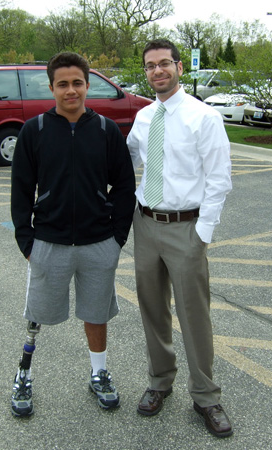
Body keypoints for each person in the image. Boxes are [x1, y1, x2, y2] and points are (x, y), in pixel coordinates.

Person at [10, 52, 136, 417]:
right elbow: (21, 190)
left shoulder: (105, 130)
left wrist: (117, 238)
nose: (70, 90)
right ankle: (23, 375)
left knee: (96, 313)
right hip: (49, 243)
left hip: (99, 243)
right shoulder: (34, 131)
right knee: (38, 312)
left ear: (87, 85)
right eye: (62, 84)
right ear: (51, 87)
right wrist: (27, 242)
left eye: (77, 83)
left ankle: (99, 373)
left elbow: (125, 186)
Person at [127, 39, 233, 438]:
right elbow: (131, 158)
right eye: (151, 65)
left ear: (179, 67)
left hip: (186, 228)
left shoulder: (203, 117)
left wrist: (202, 233)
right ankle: (160, 382)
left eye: (164, 64)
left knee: (193, 315)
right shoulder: (143, 117)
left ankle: (206, 396)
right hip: (146, 223)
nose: (158, 71)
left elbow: (219, 180)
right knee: (153, 309)